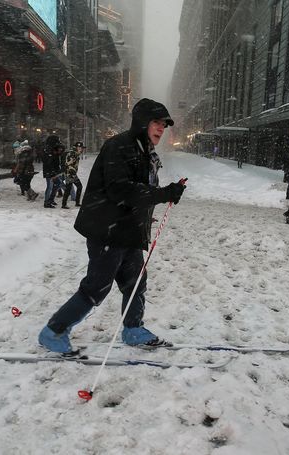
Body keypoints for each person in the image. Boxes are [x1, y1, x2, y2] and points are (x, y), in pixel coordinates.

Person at [38, 98, 186, 353]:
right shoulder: (119, 146)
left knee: (136, 282)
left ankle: (133, 329)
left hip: (128, 231)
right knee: (97, 288)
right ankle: (54, 332)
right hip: (107, 230)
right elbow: (120, 190)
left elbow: (140, 191)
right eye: (156, 122)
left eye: (164, 124)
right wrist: (163, 194)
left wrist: (145, 213)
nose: (161, 128)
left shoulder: (145, 152)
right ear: (142, 122)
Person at [42, 140, 65, 208]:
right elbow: (48, 164)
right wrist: (52, 173)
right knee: (50, 187)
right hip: (49, 173)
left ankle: (51, 199)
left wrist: (57, 172)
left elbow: (56, 164)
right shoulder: (49, 153)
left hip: (54, 173)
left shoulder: (55, 154)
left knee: (58, 184)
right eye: (59, 148)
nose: (60, 150)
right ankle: (46, 202)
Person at [62, 141, 84, 208]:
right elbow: (67, 164)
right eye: (81, 148)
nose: (82, 149)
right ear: (77, 147)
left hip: (73, 174)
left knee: (79, 187)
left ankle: (77, 203)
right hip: (69, 174)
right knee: (68, 189)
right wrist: (71, 171)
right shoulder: (72, 153)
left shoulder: (76, 153)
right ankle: (64, 204)